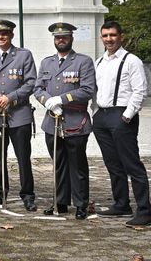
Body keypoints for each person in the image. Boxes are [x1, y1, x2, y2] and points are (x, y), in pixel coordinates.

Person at [34, 22, 95, 220]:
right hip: (53, 120)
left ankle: (80, 204)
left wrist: (62, 99)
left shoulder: (83, 61)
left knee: (77, 165)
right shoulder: (46, 62)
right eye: (57, 37)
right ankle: (60, 201)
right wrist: (47, 102)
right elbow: (38, 88)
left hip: (75, 121)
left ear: (71, 38)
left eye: (65, 37)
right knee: (58, 163)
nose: (61, 40)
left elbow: (87, 89)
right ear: (54, 40)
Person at [93, 20, 151, 226]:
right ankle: (121, 204)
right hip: (102, 117)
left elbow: (140, 91)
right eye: (105, 36)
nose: (109, 39)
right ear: (101, 38)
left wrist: (127, 116)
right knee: (113, 164)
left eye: (112, 35)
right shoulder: (99, 62)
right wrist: (96, 114)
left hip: (121, 116)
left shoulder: (131, 60)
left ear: (121, 37)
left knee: (132, 164)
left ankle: (144, 210)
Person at [0, 19, 37, 212]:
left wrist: (10, 98)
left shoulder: (24, 55)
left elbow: (30, 83)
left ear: (12, 35)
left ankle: (27, 195)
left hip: (19, 115)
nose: (1, 37)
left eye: (4, 34)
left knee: (23, 158)